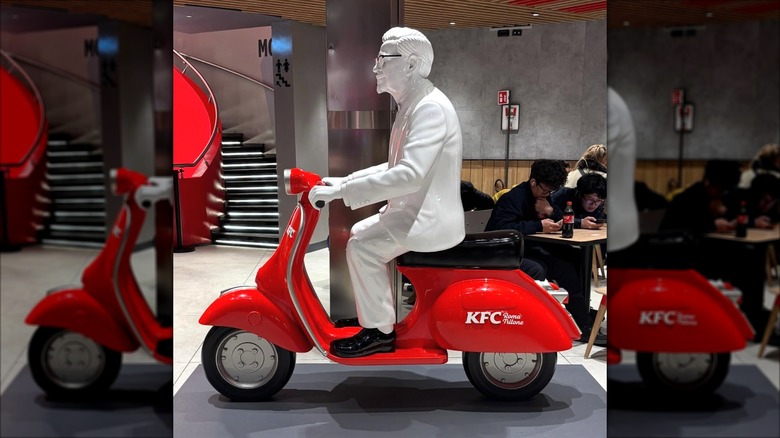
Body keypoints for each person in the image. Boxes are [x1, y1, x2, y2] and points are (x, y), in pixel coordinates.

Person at [308, 27, 464, 358]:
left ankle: (378, 330)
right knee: (361, 236)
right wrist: (342, 183)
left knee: (362, 244)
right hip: (416, 211)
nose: (376, 67)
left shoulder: (429, 108)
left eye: (382, 58)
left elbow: (408, 175)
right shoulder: (416, 104)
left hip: (428, 219)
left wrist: (345, 189)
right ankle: (374, 317)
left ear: (410, 65)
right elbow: (395, 164)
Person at [485, 159, 605, 345]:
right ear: (533, 182)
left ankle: (579, 310)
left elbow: (558, 213)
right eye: (546, 189)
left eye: (552, 191)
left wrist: (550, 211)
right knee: (558, 266)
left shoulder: (542, 196)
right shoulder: (513, 198)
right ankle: (583, 325)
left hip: (530, 246)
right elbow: (500, 228)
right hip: (507, 251)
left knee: (575, 256)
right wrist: (538, 224)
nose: (548, 193)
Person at [659, 160, 742, 236]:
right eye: (719, 190)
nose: (721, 194)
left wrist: (731, 223)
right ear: (707, 182)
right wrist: (713, 225)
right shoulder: (689, 198)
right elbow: (688, 226)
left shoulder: (718, 197)